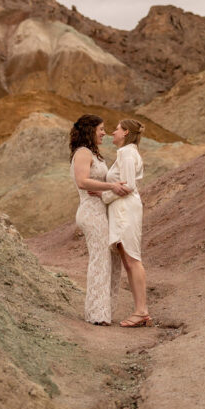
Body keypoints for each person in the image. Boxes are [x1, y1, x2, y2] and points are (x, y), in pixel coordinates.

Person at [70, 114, 128, 324]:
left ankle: (105, 311)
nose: (104, 133)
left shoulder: (94, 153)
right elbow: (82, 181)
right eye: (101, 129)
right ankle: (96, 314)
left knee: (111, 261)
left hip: (100, 210)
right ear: (90, 130)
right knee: (100, 260)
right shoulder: (83, 153)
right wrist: (110, 186)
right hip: (91, 212)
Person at [102, 119, 151, 327]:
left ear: (126, 132)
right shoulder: (127, 152)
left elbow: (129, 185)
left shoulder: (127, 153)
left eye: (117, 129)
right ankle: (140, 310)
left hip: (125, 210)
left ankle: (142, 311)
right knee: (128, 260)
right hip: (123, 209)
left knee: (132, 259)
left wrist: (104, 195)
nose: (113, 132)